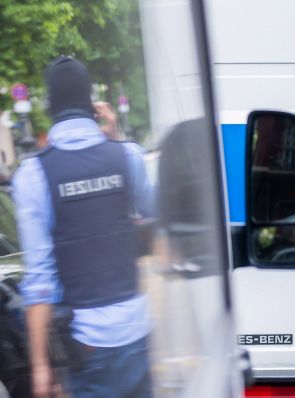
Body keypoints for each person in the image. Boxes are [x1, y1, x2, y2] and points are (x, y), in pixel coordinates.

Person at [13, 56, 154, 398]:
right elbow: (153, 214)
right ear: (91, 103)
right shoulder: (128, 156)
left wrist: (40, 366)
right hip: (138, 332)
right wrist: (116, 136)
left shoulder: (34, 176)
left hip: (87, 345)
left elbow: (40, 281)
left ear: (50, 106)